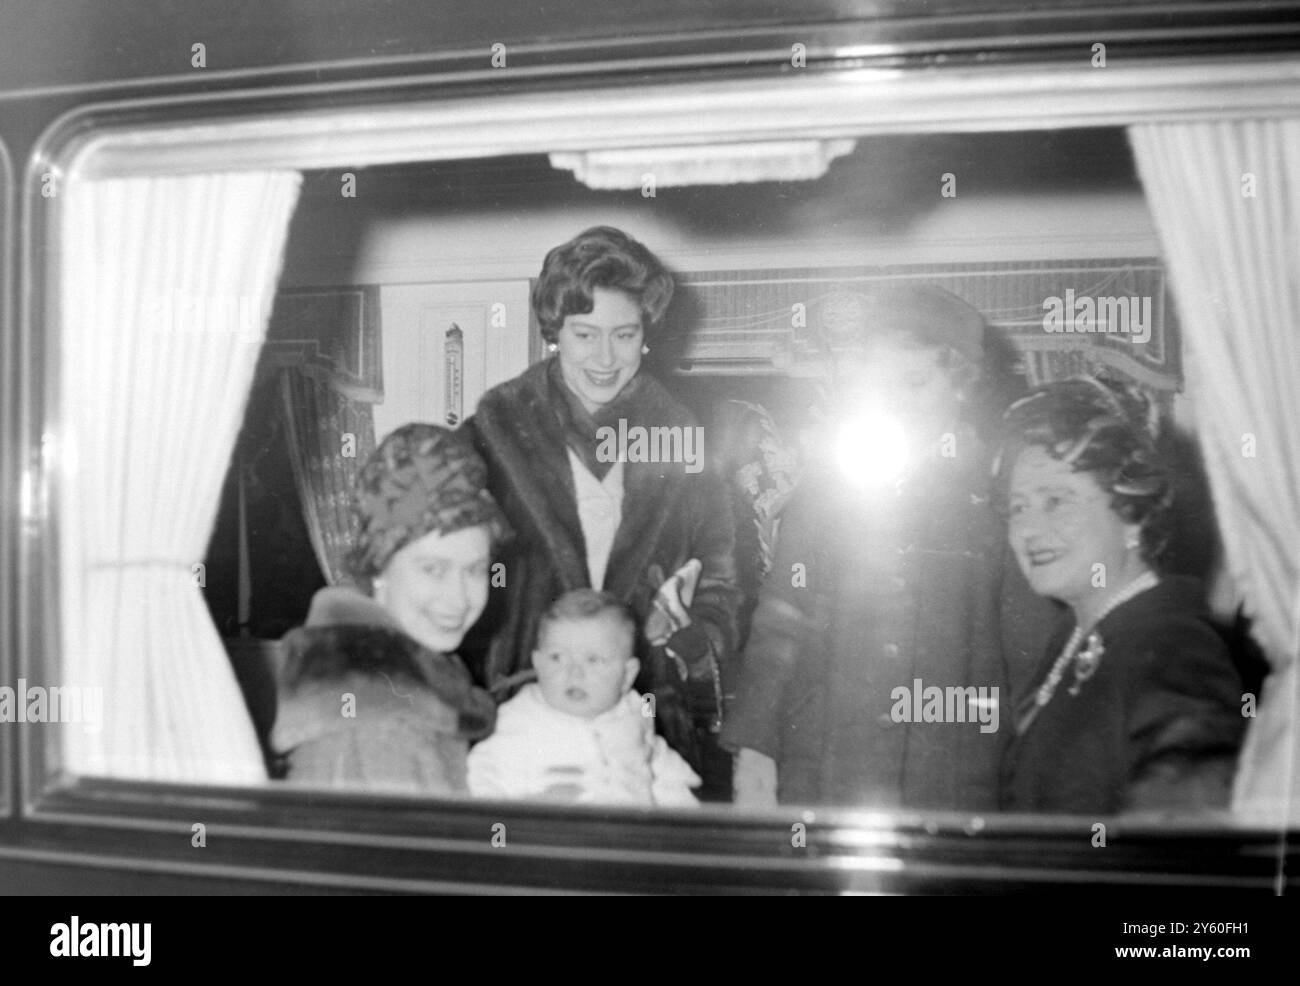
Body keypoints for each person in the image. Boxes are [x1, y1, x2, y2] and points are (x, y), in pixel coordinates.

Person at [722, 285, 1049, 810]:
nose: (895, 402)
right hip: (823, 773)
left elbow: (1033, 665)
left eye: (915, 382)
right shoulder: (828, 492)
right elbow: (780, 627)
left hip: (952, 782)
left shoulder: (1001, 498)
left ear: (962, 384)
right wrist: (755, 758)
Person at [464, 226, 741, 788]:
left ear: (646, 335)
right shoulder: (494, 433)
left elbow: (723, 584)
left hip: (645, 718)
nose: (605, 358)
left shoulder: (684, 443)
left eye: (624, 334)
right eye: (584, 334)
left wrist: (689, 633)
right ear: (554, 333)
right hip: (521, 708)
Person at [997, 376, 1245, 813]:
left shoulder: (1175, 648)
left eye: (1057, 500)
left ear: (1133, 515)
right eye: (1019, 507)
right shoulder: (1076, 635)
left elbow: (1181, 846)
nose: (1028, 530)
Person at [270, 423, 507, 794]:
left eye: (475, 570)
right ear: (379, 565)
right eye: (433, 569)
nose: (459, 598)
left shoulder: (397, 681)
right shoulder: (378, 722)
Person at [467, 589, 701, 806]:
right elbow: (483, 775)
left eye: (593, 660)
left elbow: (662, 770)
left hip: (631, 838)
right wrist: (528, 808)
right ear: (538, 665)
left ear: (627, 675)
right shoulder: (518, 719)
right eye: (557, 657)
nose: (574, 673)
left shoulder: (635, 712)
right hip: (554, 838)